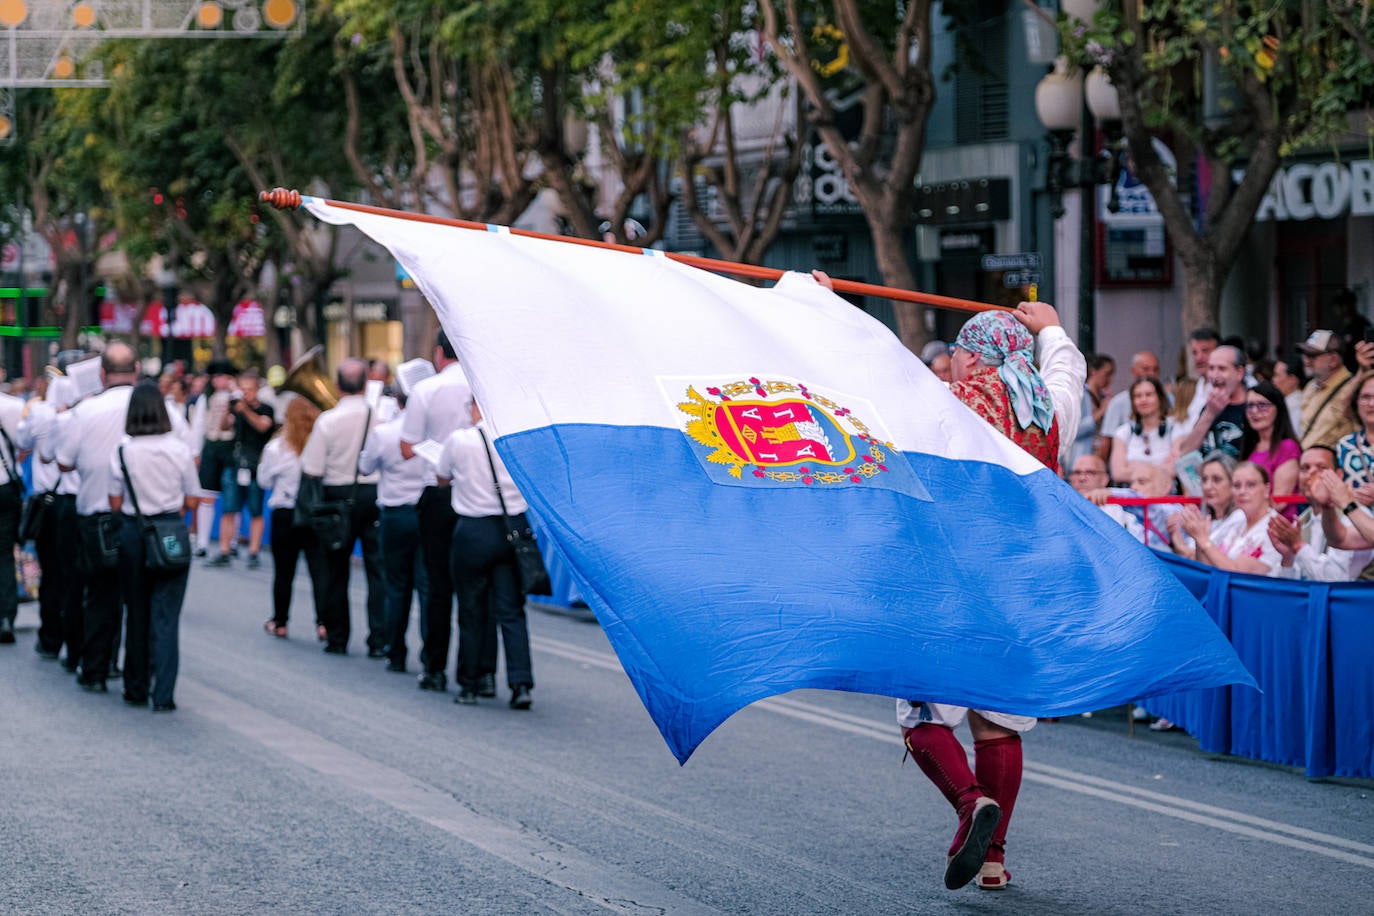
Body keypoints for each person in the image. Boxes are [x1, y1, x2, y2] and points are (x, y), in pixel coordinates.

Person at [898, 301, 1086, 892]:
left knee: (922, 713)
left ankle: (968, 802)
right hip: (1024, 579)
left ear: (974, 355)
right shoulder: (1049, 409)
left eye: (955, 349)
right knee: (998, 721)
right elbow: (1067, 369)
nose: (948, 360)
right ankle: (994, 858)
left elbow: (869, 375)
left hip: (953, 581)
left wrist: (822, 303)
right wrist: (1050, 324)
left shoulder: (940, 409)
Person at [55, 344, 150, 692]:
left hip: (95, 515)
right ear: (136, 370)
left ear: (102, 374)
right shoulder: (158, 407)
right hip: (144, 518)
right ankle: (137, 674)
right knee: (140, 598)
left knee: (99, 596)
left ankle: (95, 668)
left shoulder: (86, 411)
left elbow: (63, 461)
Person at [400, 330, 487, 694]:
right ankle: (480, 673)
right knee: (477, 590)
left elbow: (407, 448)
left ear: (438, 353)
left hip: (437, 494)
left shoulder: (425, 389)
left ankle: (434, 668)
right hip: (480, 495)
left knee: (436, 586)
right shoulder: (483, 387)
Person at [433, 399, 534, 709]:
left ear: (477, 407)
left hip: (473, 529)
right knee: (511, 610)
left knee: (471, 609)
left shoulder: (459, 440)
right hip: (512, 529)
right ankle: (520, 684)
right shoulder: (517, 440)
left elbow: (441, 477)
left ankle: (471, 683)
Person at [108, 381, 200, 712]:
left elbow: (115, 501)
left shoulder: (122, 450)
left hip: (134, 532)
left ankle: (135, 685)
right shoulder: (179, 450)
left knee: (136, 610)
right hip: (170, 530)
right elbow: (192, 498)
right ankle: (163, 693)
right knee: (167, 616)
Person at [299, 358, 384, 655]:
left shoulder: (328, 420)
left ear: (337, 385)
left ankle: (337, 637)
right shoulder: (382, 416)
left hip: (336, 497)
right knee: (377, 569)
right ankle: (379, 639)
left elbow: (311, 467)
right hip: (374, 494)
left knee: (335, 570)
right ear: (366, 383)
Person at [358, 377, 434, 672]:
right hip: (425, 513)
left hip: (394, 513)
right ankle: (430, 657)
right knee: (428, 587)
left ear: (398, 400)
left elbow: (365, 467)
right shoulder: (435, 434)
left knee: (395, 585)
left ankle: (396, 650)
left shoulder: (385, 432)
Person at [257, 396, 324, 639]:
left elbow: (263, 481)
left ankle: (280, 621)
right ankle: (323, 623)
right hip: (314, 512)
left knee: (284, 571)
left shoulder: (275, 448)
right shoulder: (319, 444)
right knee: (319, 570)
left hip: (285, 512)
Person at [1267, 446, 1374, 580]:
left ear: (1339, 475)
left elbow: (1336, 579)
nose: (1311, 473)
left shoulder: (1357, 516)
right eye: (1305, 468)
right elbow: (1289, 587)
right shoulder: (1300, 520)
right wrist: (1288, 558)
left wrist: (1298, 546)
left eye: (1321, 467)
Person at [208, 368, 275, 568]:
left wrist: (244, 409)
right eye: (242, 389)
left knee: (256, 510)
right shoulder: (235, 408)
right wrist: (227, 410)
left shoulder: (266, 409)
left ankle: (253, 551)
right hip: (234, 464)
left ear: (257, 389)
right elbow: (224, 427)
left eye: (249, 389)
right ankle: (225, 550)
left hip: (255, 466)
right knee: (229, 509)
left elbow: (263, 426)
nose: (245, 393)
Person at [1177, 461, 1282, 576]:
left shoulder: (1275, 527)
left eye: (1251, 485)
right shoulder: (1237, 524)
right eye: (1237, 486)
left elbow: (1237, 574)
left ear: (1266, 490)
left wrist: (1203, 540)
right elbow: (1207, 568)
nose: (1242, 491)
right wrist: (1198, 537)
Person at [192, 361, 237, 558]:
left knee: (232, 497)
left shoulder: (237, 397)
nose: (220, 380)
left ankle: (231, 541)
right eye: (217, 377)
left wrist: (236, 392)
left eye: (224, 376)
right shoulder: (206, 398)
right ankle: (202, 542)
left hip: (231, 449)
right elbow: (198, 425)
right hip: (211, 448)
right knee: (206, 496)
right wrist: (195, 452)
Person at [1173, 344, 1248, 461]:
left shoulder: (1252, 407)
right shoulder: (1210, 407)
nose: (1214, 375)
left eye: (1222, 369)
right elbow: (1185, 453)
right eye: (1211, 368)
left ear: (1239, 373)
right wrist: (1209, 413)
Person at [1239, 381, 1300, 517]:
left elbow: (1279, 502)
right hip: (1250, 524)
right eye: (1250, 406)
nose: (1254, 411)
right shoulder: (1249, 448)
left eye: (1262, 405)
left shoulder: (1287, 447)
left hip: (1279, 526)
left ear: (1278, 409)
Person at [1297, 330, 1359, 449]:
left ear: (1333, 360)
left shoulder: (1353, 389)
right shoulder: (1310, 386)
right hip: (1308, 462)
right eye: (1304, 354)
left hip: (1333, 464)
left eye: (1312, 356)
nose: (1306, 361)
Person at [1109, 377, 1178, 483]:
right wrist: (1161, 469)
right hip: (1132, 494)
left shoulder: (1175, 427)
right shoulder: (1123, 432)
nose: (1143, 400)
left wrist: (1134, 469)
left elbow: (1176, 468)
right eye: (1138, 396)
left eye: (1149, 394)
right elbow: (1118, 473)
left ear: (1160, 398)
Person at [0, 380, 25, 645]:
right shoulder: (13, 406)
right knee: (4, 552)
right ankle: (5, 615)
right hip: (4, 484)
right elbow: (24, 445)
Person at [1334, 342, 1374, 501]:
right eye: (1365, 397)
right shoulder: (1344, 445)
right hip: (1353, 522)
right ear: (1356, 403)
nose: (1371, 404)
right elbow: (1335, 491)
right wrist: (1351, 496)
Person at [1100, 350, 1162, 448]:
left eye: (1155, 369)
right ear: (1133, 371)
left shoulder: (1169, 399)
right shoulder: (1118, 403)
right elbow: (1107, 441)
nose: (1151, 374)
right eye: (1146, 369)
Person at [1070, 353, 1114, 465]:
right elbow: (1075, 430)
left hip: (1100, 459)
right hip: (1080, 459)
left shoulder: (1105, 397)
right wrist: (1101, 412)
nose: (1110, 380)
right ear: (1094, 371)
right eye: (1107, 374)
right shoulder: (1080, 395)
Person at [1271, 356, 1306, 432]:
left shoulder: (1297, 406)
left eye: (1277, 375)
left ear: (1292, 380)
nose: (1273, 380)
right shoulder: (1286, 403)